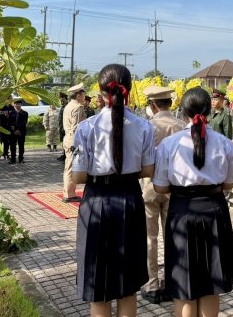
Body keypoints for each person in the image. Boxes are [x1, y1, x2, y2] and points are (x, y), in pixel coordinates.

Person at [71, 64, 155, 317]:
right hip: (130, 199)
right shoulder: (144, 126)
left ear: (100, 92)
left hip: (97, 201)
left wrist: (103, 173)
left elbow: (78, 176)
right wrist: (124, 174)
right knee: (127, 286)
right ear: (128, 89)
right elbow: (148, 170)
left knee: (98, 285)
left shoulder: (86, 127)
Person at [153, 87, 233, 317]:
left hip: (181, 210)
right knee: (212, 284)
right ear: (209, 110)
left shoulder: (169, 144)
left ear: (183, 111)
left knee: (184, 285)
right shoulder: (224, 143)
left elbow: (160, 187)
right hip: (214, 210)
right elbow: (229, 184)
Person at [139, 85, 186, 305]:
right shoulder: (182, 126)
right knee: (172, 237)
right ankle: (171, 282)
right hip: (174, 187)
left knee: (150, 237)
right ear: (170, 103)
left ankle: (152, 284)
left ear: (153, 105)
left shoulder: (147, 127)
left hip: (150, 185)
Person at [63, 83, 86, 203]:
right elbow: (76, 127)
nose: (84, 97)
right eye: (83, 94)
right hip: (73, 139)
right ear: (78, 96)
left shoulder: (68, 106)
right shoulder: (77, 107)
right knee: (71, 167)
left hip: (68, 138)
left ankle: (68, 192)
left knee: (69, 166)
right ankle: (69, 194)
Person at [58, 92, 68, 162]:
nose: (60, 99)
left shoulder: (67, 106)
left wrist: (65, 127)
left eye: (61, 98)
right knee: (63, 141)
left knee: (66, 141)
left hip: (65, 127)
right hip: (61, 126)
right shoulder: (63, 106)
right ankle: (64, 154)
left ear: (64, 98)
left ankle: (66, 155)